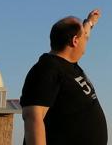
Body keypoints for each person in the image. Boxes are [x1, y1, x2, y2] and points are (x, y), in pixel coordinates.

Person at [20, 9, 107, 145]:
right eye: (84, 36)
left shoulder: (68, 65)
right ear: (74, 41)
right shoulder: (47, 68)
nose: (87, 38)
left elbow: (84, 32)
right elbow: (32, 116)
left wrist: (90, 22)